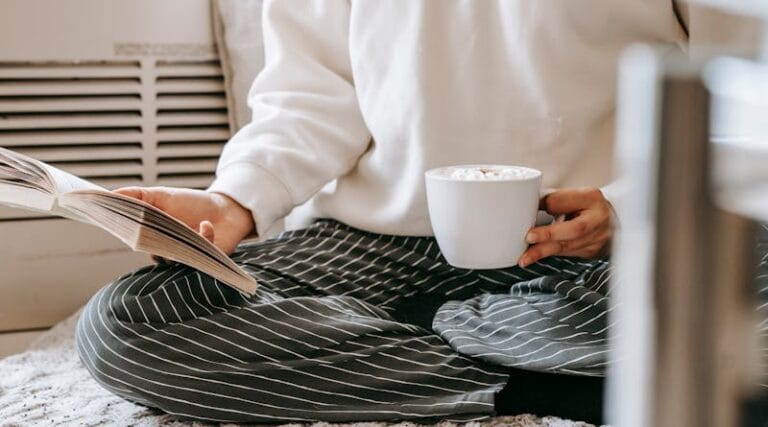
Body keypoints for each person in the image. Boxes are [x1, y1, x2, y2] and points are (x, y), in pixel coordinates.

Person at [74, 1, 764, 425]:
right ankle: (544, 377)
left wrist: (628, 203)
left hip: (586, 245)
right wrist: (234, 199)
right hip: (374, 242)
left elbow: (745, 79)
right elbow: (308, 94)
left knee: (750, 276)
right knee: (129, 323)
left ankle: (410, 337)